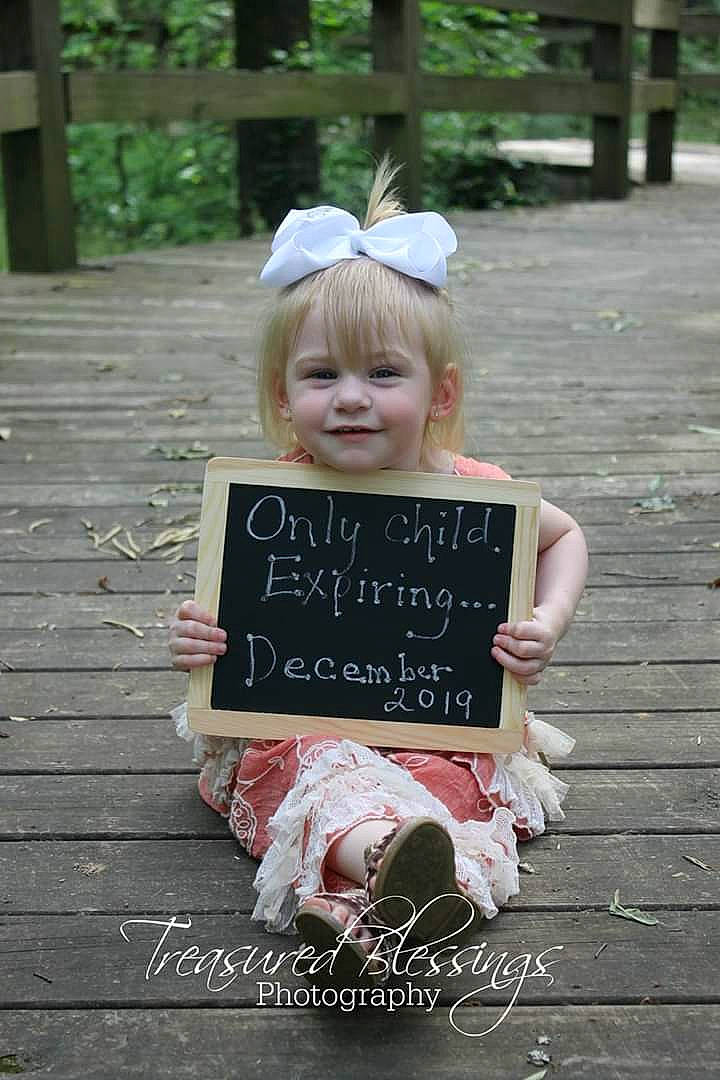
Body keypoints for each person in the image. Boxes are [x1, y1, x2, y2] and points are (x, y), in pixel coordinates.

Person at [168, 157, 588, 989]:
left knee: (449, 797)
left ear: (439, 393)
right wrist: (196, 635)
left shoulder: (474, 497)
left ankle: (376, 898)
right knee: (318, 769)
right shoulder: (272, 501)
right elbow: (231, 612)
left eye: (383, 373)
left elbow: (565, 539)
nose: (351, 397)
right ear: (284, 396)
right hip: (303, 722)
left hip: (443, 728)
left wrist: (548, 621)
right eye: (323, 375)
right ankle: (396, 884)